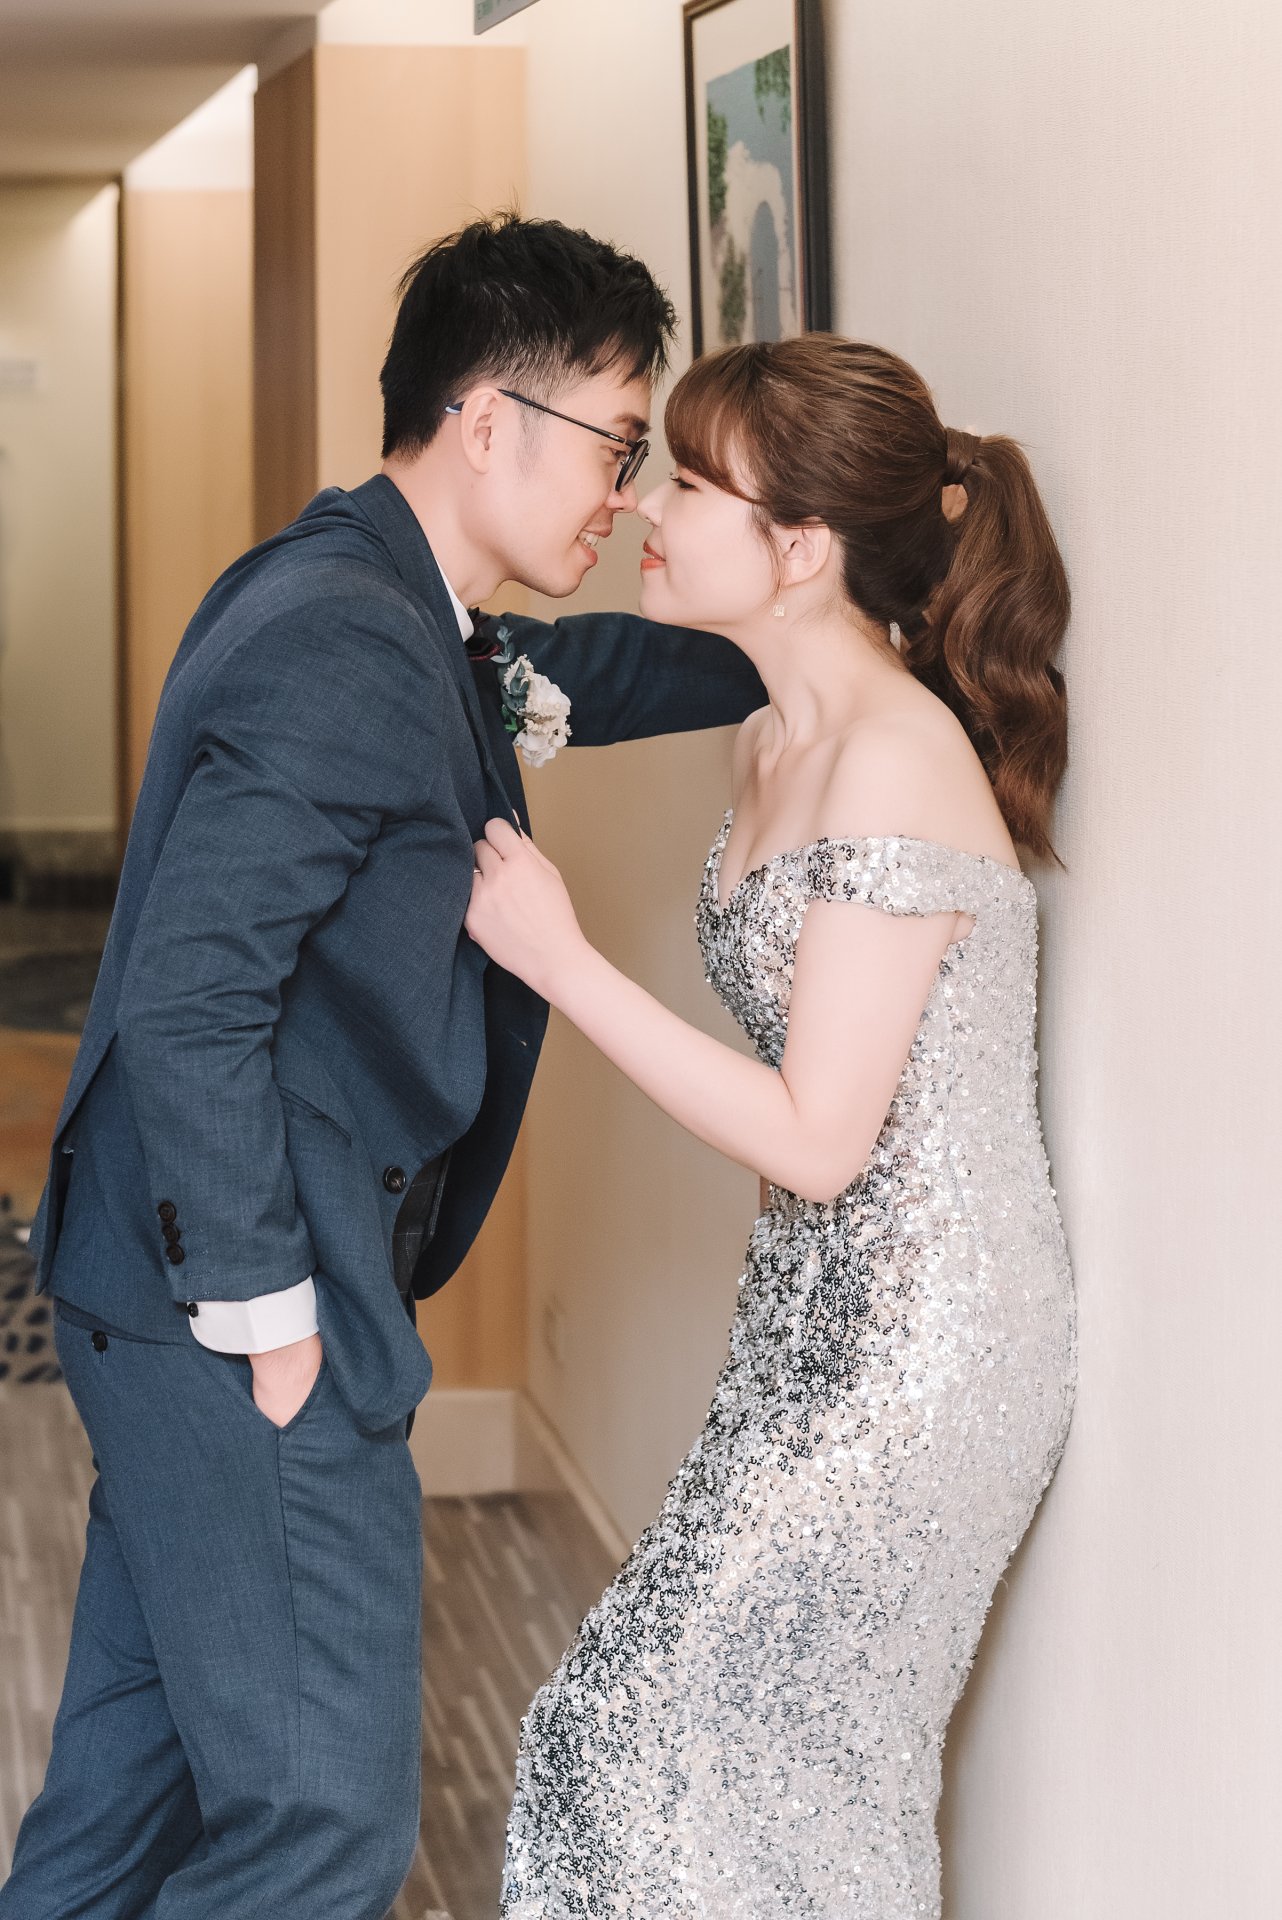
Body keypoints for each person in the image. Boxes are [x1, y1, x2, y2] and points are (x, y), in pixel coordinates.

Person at [0, 215, 763, 1920]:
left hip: (147, 1285)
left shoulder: (365, 586)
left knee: (118, 1819)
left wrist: (808, 616)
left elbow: (569, 677)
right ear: (488, 422)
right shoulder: (352, 638)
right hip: (237, 1301)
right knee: (325, 1829)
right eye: (615, 443)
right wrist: (273, 1324)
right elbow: (194, 994)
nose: (627, 495)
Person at [466, 334, 1078, 1919]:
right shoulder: (768, 737)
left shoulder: (890, 761)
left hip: (927, 1354)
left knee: (696, 1757)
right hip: (807, 1329)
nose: (645, 507)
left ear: (799, 550)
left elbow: (817, 1141)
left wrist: (560, 962)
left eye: (687, 482)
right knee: (663, 1755)